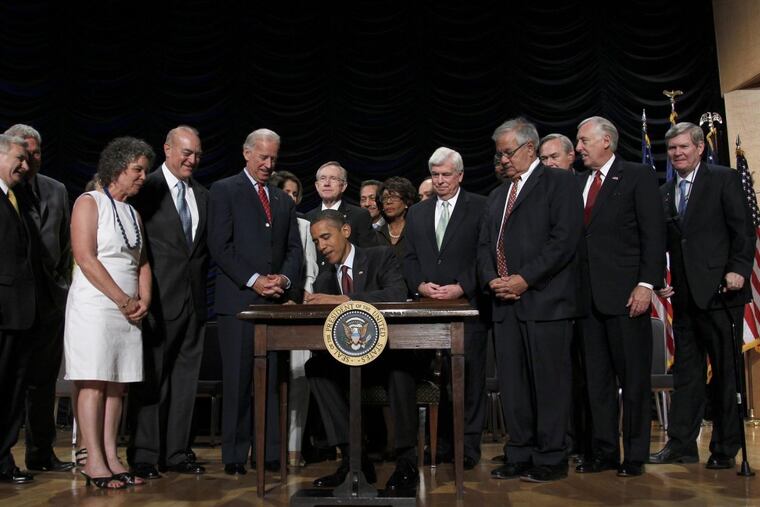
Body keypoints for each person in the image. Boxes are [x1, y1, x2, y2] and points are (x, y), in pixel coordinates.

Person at [479, 118, 584, 483]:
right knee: (513, 386)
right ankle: (519, 452)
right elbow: (484, 246)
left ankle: (551, 455)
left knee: (549, 384)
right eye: (499, 153)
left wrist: (524, 279)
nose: (503, 159)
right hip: (505, 305)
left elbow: (564, 241)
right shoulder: (496, 196)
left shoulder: (560, 183)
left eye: (508, 152)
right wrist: (493, 279)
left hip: (545, 301)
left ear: (528, 148)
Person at [649, 122, 754, 468]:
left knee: (725, 372)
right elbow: (665, 244)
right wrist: (657, 279)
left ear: (699, 148)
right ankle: (681, 444)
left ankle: (725, 449)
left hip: (722, 293)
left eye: (683, 147)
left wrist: (738, 268)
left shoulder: (723, 179)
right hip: (684, 297)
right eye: (673, 149)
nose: (677, 153)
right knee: (687, 373)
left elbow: (742, 230)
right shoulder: (665, 192)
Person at [574, 116, 665, 477]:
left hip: (627, 297)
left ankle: (636, 455)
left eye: (583, 141)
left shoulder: (637, 176)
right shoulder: (579, 183)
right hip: (587, 300)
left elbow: (653, 234)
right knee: (596, 383)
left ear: (606, 142)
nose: (578, 148)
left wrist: (646, 284)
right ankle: (605, 452)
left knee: (634, 380)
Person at [208, 128, 302, 475]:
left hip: (273, 304)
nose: (268, 163)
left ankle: (269, 452)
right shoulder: (224, 190)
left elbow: (294, 248)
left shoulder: (280, 199)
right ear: (246, 154)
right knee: (238, 381)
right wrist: (255, 281)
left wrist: (284, 279)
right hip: (239, 304)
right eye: (263, 156)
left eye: (274, 157)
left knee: (272, 379)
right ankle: (234, 454)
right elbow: (220, 246)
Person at [304, 210, 418, 493]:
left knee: (400, 365)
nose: (322, 246)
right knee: (315, 367)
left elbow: (395, 294)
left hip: (387, 354)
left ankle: (406, 461)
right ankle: (353, 458)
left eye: (326, 237)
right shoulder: (324, 277)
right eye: (316, 241)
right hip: (350, 359)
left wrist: (344, 299)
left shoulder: (380, 256)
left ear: (345, 231)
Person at [65, 137, 154, 489]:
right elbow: (85, 257)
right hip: (96, 305)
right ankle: (94, 461)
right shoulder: (89, 202)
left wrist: (143, 298)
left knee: (118, 385)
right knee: (94, 381)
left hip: (129, 310)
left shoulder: (133, 212)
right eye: (137, 170)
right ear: (117, 168)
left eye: (145, 170)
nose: (143, 177)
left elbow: (142, 261)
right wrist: (122, 298)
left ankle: (112, 456)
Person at [126, 126, 209, 479]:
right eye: (186, 153)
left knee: (185, 379)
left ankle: (176, 451)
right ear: (168, 149)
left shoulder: (203, 195)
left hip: (194, 302)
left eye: (197, 155)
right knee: (152, 378)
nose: (192, 160)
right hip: (156, 300)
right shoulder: (146, 189)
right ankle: (144, 453)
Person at [403, 147, 488, 469]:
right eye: (435, 174)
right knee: (432, 383)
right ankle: (438, 446)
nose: (439, 180)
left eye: (446, 175)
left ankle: (467, 449)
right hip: (427, 309)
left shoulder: (480, 207)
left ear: (460, 176)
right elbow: (408, 258)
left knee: (468, 381)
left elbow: (486, 254)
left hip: (467, 306)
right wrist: (420, 285)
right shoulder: (418, 212)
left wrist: (463, 286)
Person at [4, 125, 74, 474]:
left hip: (49, 301)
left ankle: (41, 452)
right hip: (13, 304)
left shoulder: (56, 189)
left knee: (43, 382)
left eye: (36, 153)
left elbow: (65, 245)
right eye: (24, 153)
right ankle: (6, 455)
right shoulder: (6, 190)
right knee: (11, 380)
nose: (31, 159)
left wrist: (61, 286)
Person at [269, 170, 319, 466]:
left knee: (299, 381)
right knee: (267, 381)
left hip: (297, 308)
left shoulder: (303, 225)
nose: (290, 198)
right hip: (266, 307)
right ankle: (262, 445)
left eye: (295, 193)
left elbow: (310, 270)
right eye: (285, 192)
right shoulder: (261, 223)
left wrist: (300, 299)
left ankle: (293, 447)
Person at [0, 135, 36, 484]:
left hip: (20, 313)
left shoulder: (17, 198)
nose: (24, 166)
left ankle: (3, 458)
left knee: (13, 388)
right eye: (18, 158)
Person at [306, 162, 376, 267]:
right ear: (317, 186)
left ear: (343, 186)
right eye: (323, 178)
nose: (327, 183)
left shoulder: (360, 215)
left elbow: (369, 256)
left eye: (333, 178)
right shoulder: (307, 217)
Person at [376, 176, 416, 262]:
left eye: (394, 197)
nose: (388, 202)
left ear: (406, 202)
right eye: (385, 198)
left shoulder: (415, 231)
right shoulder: (377, 233)